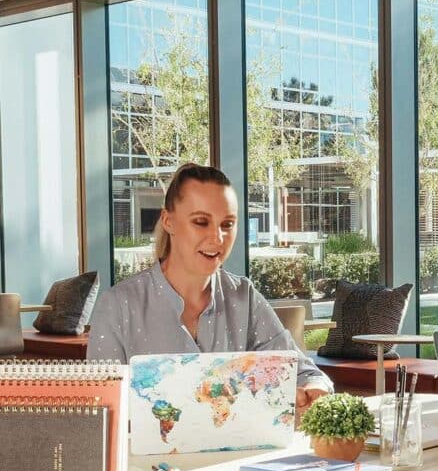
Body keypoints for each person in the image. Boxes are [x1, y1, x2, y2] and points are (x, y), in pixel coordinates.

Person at [87, 163, 333, 414]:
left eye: (227, 224)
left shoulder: (243, 297)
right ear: (168, 221)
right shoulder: (118, 305)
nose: (217, 238)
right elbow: (101, 414)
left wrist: (314, 387)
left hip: (242, 454)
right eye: (201, 222)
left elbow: (303, 372)